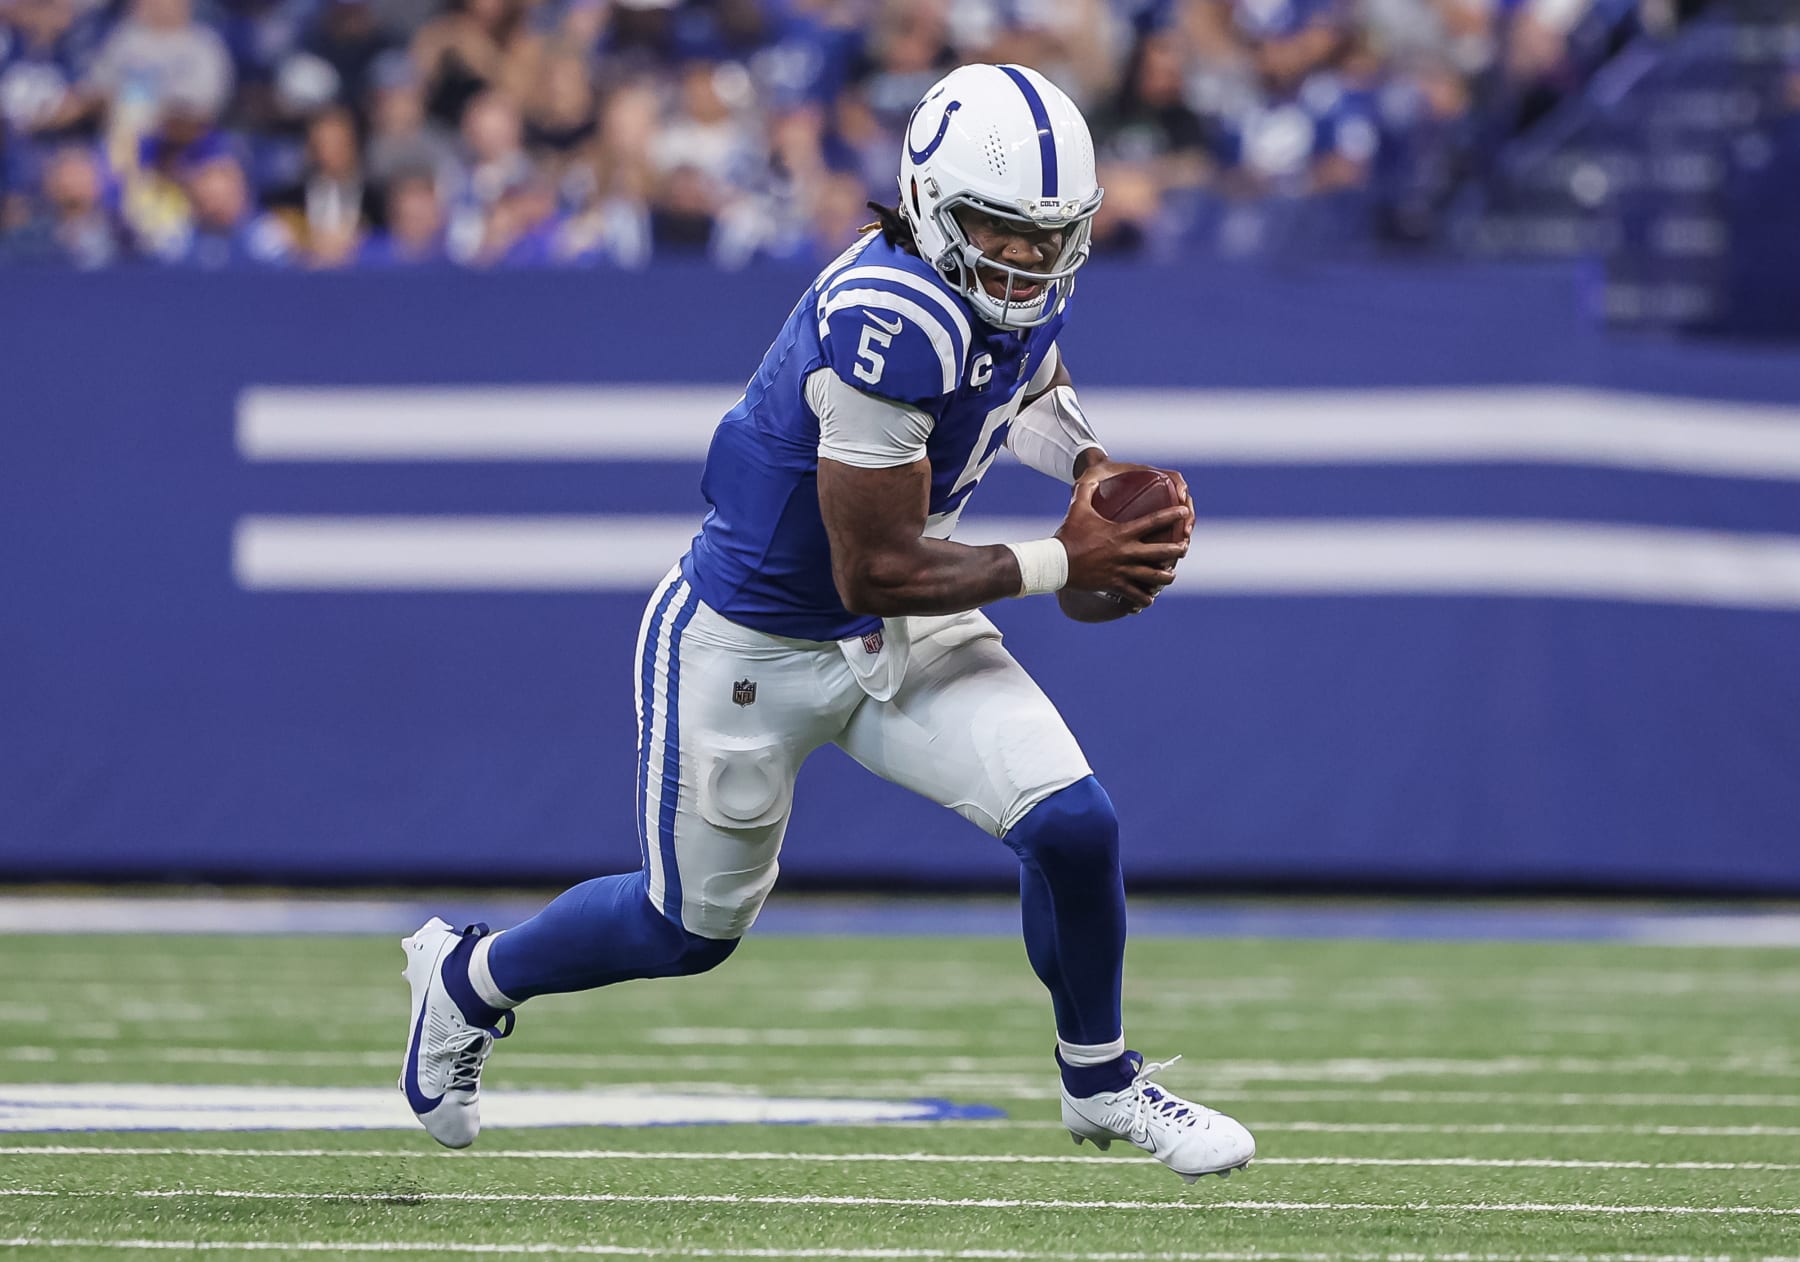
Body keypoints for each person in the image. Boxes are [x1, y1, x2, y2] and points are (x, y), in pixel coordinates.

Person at [397, 61, 1257, 1184]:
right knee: (685, 931)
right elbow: (874, 567)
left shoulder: (1001, 282)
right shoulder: (886, 319)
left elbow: (1026, 378)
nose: (1029, 260)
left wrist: (1091, 461)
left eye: (1051, 237)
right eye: (1004, 233)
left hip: (899, 629)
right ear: (935, 205)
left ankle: (1098, 1080)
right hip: (753, 641)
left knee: (1073, 825)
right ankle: (469, 978)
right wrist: (1065, 556)